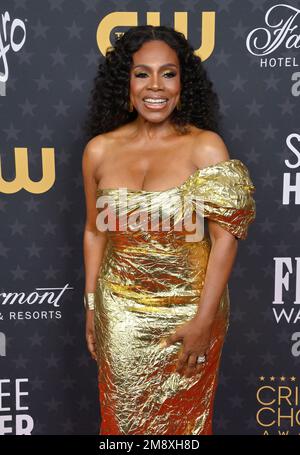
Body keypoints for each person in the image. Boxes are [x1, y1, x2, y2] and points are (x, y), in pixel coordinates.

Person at [82, 25, 256, 435]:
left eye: (168, 73)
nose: (155, 86)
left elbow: (225, 240)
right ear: (125, 82)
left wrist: (204, 322)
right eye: (142, 73)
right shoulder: (100, 150)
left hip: (191, 310)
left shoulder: (205, 146)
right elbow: (94, 231)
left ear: (183, 82)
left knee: (186, 427)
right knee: (122, 424)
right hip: (121, 310)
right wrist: (92, 305)